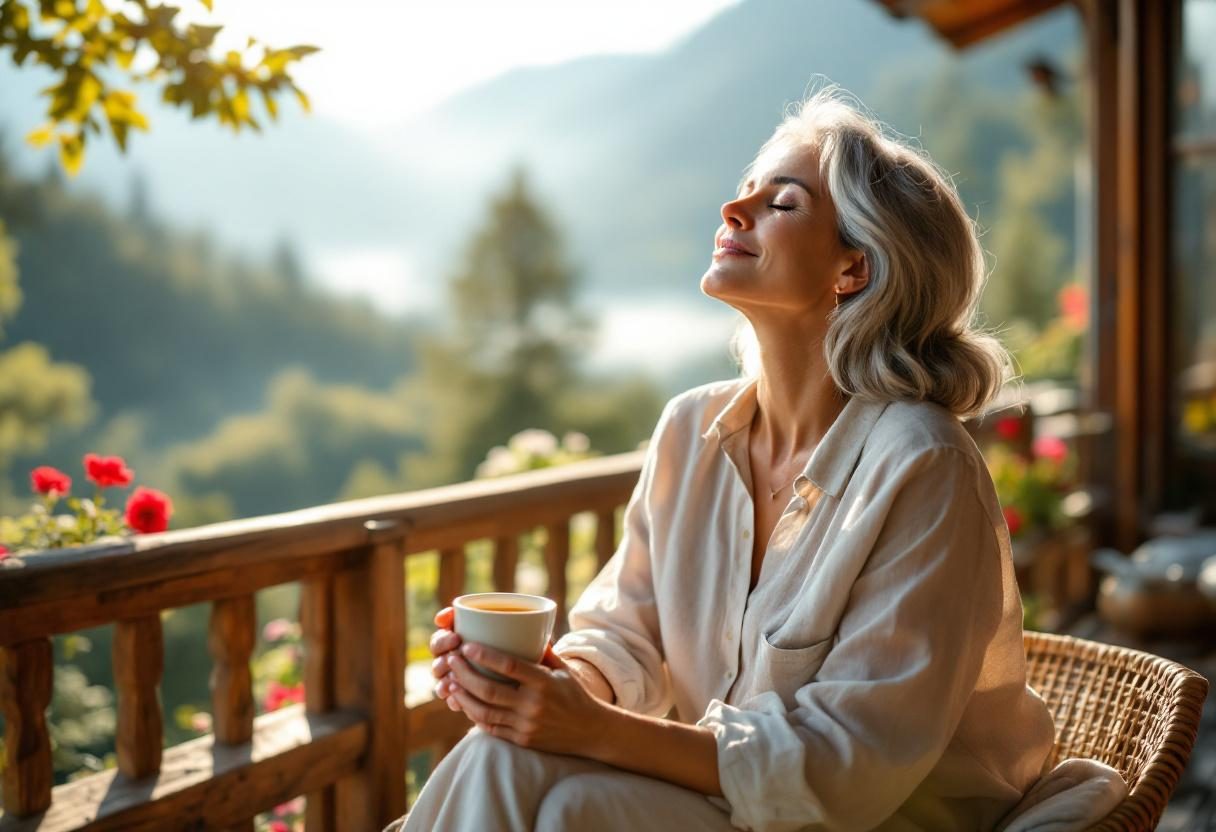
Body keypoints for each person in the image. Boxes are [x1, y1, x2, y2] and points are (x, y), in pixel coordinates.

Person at [390, 83, 1115, 832]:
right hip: (726, 806)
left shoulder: (923, 466)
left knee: (559, 795)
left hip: (870, 820)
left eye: (783, 202)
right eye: (744, 191)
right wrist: (541, 688)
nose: (734, 211)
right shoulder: (689, 432)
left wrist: (593, 729)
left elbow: (848, 767)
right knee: (511, 755)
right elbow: (623, 634)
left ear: (853, 269)